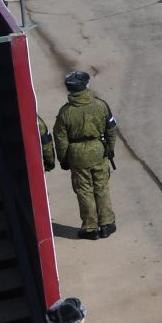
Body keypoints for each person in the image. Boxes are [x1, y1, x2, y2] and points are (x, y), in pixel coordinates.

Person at [52, 71, 117, 239]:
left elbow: (60, 138)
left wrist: (64, 159)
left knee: (84, 191)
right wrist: (110, 148)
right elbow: (111, 129)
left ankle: (90, 228)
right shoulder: (101, 105)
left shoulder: (65, 112)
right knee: (101, 187)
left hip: (76, 155)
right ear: (86, 86)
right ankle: (107, 224)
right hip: (98, 151)